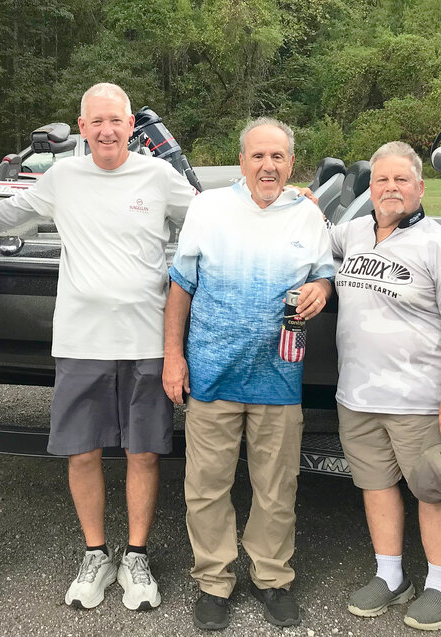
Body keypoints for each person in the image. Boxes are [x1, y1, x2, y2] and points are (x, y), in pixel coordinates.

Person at [0, 83, 195, 612]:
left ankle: (137, 555)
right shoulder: (64, 177)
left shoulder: (158, 176)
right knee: (83, 451)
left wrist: (284, 204)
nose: (106, 130)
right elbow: (7, 216)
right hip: (81, 340)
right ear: (82, 127)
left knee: (144, 452)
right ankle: (96, 553)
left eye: (116, 121)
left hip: (146, 338)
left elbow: (213, 222)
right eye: (96, 121)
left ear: (131, 126)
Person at [163, 117, 334, 631]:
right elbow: (180, 288)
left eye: (278, 157)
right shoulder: (209, 207)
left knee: (276, 489)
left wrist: (322, 293)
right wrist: (174, 356)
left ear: (291, 163)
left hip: (279, 377)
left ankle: (271, 577)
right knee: (206, 486)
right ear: (242, 161)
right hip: (212, 372)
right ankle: (214, 582)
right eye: (258, 156)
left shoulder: (307, 214)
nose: (268, 165)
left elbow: (323, 277)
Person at [330, 141, 441, 631]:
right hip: (357, 395)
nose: (390, 188)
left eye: (400, 180)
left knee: (434, 490)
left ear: (420, 187)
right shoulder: (351, 233)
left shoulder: (440, 244)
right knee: (375, 487)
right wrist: (300, 206)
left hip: (421, 400)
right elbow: (309, 245)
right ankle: (390, 575)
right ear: (369, 188)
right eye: (380, 180)